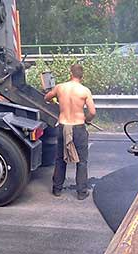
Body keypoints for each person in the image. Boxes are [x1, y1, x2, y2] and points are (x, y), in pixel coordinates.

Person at [44, 64, 96, 200]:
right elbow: (92, 112)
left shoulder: (60, 87)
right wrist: (87, 119)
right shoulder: (84, 91)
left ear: (70, 73)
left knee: (60, 159)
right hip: (78, 126)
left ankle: (57, 189)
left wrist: (56, 100)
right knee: (82, 161)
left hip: (63, 125)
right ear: (82, 76)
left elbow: (47, 98)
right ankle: (81, 192)